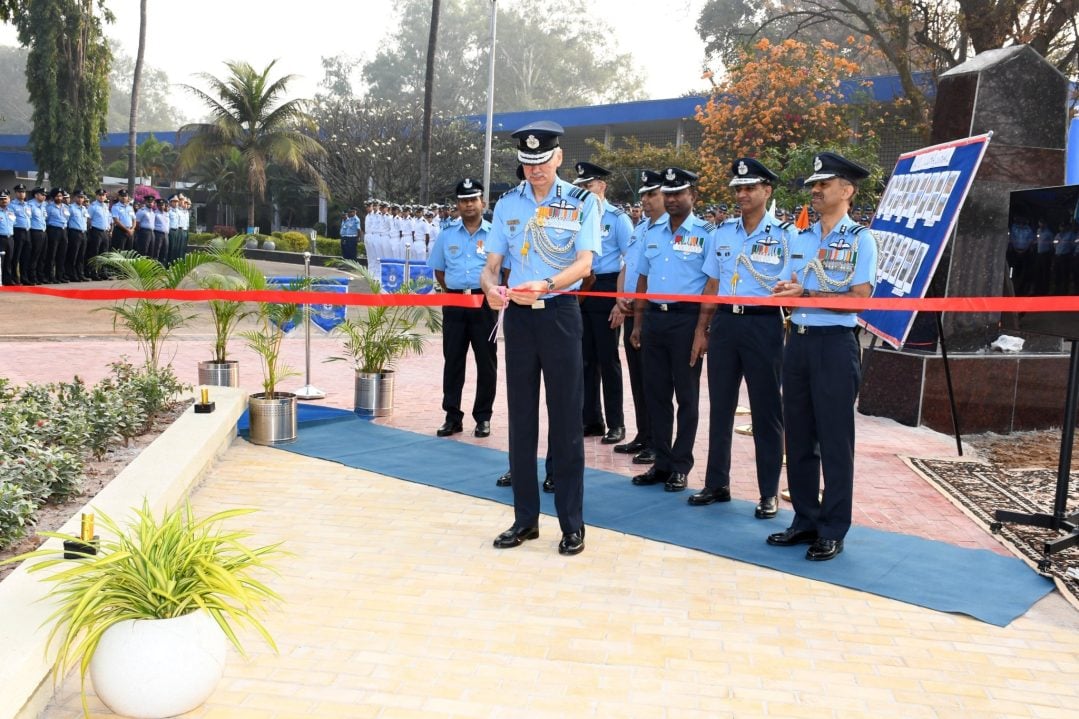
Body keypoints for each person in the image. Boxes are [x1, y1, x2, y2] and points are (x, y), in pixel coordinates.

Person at [480, 120, 599, 556]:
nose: (535, 170)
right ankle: (525, 520)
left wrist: (546, 285)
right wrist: (490, 288)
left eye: (543, 161)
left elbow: (585, 264)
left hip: (559, 313)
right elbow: (492, 264)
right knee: (522, 419)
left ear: (559, 158)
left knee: (566, 420)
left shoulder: (582, 202)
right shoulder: (509, 205)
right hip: (519, 321)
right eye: (528, 163)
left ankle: (572, 524)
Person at [769, 151, 879, 561]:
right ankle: (805, 519)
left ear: (846, 191)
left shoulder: (860, 240)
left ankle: (833, 527)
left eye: (824, 184)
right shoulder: (798, 237)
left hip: (835, 346)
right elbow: (790, 285)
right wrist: (783, 292)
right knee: (797, 436)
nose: (815, 190)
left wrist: (807, 295)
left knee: (834, 441)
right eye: (814, 184)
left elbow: (860, 300)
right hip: (796, 341)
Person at [690, 158, 793, 518]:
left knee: (767, 411)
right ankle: (716, 483)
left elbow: (792, 287)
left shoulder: (785, 235)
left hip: (763, 326)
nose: (743, 194)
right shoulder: (722, 233)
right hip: (725, 328)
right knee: (720, 407)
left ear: (767, 191)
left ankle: (768, 493)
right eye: (739, 188)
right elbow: (712, 285)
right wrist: (702, 330)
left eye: (750, 188)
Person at [629, 168, 712, 493]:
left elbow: (710, 285)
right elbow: (643, 279)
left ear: (693, 196)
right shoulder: (652, 232)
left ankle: (681, 465)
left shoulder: (706, 233)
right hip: (654, 320)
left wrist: (701, 330)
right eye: (669, 193)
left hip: (687, 320)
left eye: (680, 193)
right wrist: (638, 323)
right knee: (656, 395)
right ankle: (661, 463)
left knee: (686, 397)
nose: (673, 198)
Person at [428, 178, 497, 439]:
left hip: (485, 303)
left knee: (486, 362)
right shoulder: (446, 235)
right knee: (453, 361)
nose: (468, 204)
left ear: (483, 202)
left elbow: (505, 269)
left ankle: (483, 417)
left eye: (473, 199)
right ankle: (452, 416)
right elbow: (440, 270)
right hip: (455, 303)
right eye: (463, 200)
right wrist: (456, 291)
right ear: (457, 204)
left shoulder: (494, 235)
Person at [573, 161, 633, 444]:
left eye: (589, 185)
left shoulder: (617, 218)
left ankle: (616, 423)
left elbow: (631, 262)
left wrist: (620, 301)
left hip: (607, 287)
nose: (585, 190)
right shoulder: (574, 215)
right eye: (581, 186)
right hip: (581, 289)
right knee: (584, 359)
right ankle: (591, 420)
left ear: (602, 186)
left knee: (608, 359)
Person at [614, 170, 664, 465]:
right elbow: (626, 266)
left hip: (652, 313)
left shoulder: (666, 230)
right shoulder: (640, 228)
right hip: (631, 310)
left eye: (651, 194)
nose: (645, 200)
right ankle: (644, 434)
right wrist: (620, 297)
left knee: (655, 382)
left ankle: (658, 441)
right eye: (643, 195)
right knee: (638, 379)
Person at [86, 189, 112, 279]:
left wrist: (109, 229)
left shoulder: (105, 206)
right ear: (96, 196)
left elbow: (108, 219)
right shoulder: (93, 206)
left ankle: (103, 272)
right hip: (96, 231)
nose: (102, 197)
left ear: (105, 196)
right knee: (95, 253)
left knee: (104, 253)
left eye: (103, 195)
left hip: (105, 232)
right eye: (100, 195)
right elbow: (89, 219)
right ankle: (94, 272)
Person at [10, 184, 30, 285]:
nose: (22, 194)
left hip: (27, 232)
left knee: (26, 256)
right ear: (16, 193)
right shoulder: (12, 205)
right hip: (18, 231)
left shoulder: (27, 205)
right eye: (20, 192)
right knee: (16, 256)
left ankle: (24, 277)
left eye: (23, 192)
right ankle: (14, 278)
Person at [0, 190, 14, 286]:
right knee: (1, 260)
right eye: (1, 199)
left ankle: (7, 280)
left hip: (10, 238)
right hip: (0, 238)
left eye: (5, 198)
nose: (4, 200)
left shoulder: (11, 212)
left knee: (9, 260)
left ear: (9, 199)